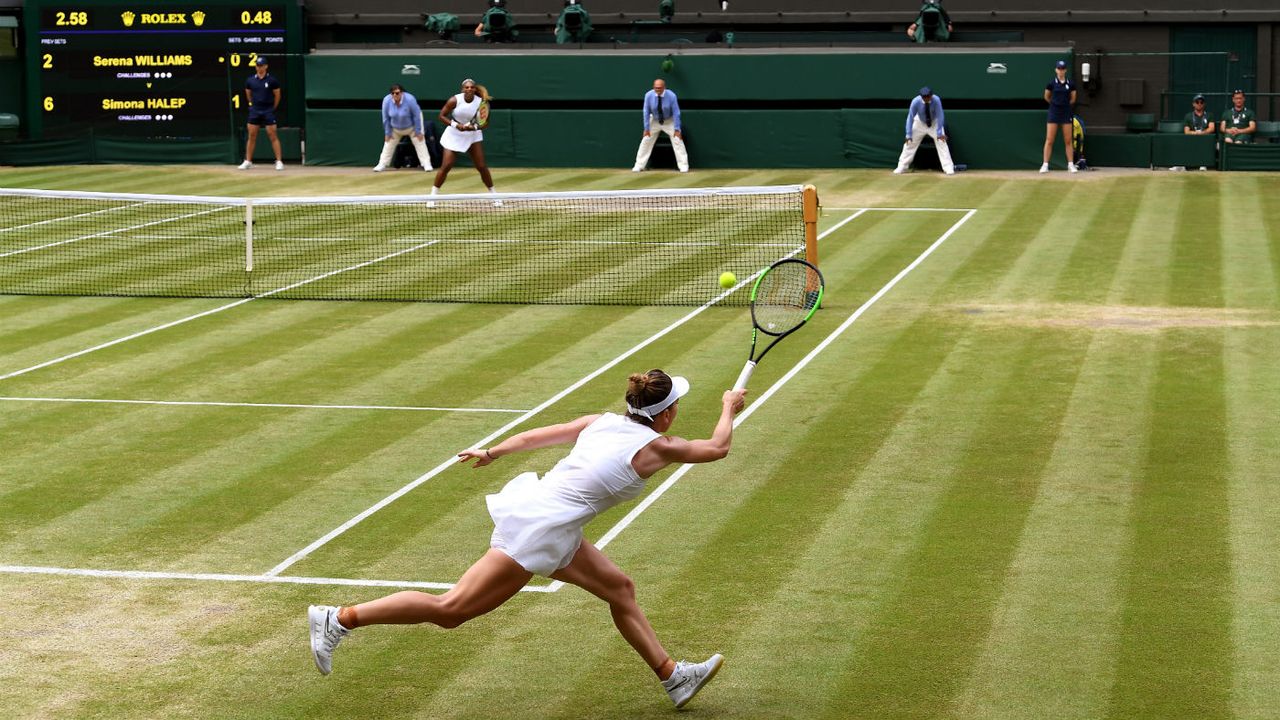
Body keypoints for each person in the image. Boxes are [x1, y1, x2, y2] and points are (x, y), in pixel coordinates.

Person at [308, 370, 748, 709]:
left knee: (620, 589)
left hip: (552, 520)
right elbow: (718, 448)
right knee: (451, 611)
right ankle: (340, 619)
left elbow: (540, 435)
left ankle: (674, 677)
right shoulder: (660, 447)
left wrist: (493, 451)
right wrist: (729, 407)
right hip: (540, 528)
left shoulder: (601, 422)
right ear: (666, 413)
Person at [430, 79, 499, 207]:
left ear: (474, 89)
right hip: (454, 134)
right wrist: (457, 125)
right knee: (447, 165)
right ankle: (432, 197)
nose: (469, 89)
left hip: (473, 135)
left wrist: (473, 128)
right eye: (466, 87)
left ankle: (494, 195)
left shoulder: (481, 103)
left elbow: (485, 123)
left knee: (482, 166)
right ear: (462, 89)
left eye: (471, 87)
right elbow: (442, 116)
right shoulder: (454, 100)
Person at [893, 86, 955, 175]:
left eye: (928, 96)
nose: (926, 98)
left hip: (934, 123)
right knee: (909, 143)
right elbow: (910, 117)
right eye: (924, 97)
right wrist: (908, 134)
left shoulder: (936, 100)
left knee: (942, 142)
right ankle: (901, 167)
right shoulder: (915, 101)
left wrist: (939, 133)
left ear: (931, 95)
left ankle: (948, 167)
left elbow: (940, 115)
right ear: (921, 96)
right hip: (919, 123)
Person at [373, 84, 434, 173]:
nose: (394, 95)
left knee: (420, 142)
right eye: (392, 93)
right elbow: (385, 118)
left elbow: (417, 116)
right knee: (388, 144)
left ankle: (426, 164)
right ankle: (382, 164)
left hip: (412, 127)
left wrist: (418, 131)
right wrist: (387, 132)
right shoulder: (387, 100)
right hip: (395, 128)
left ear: (402, 93)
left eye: (397, 93)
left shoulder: (410, 99)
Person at [632, 79, 689, 173]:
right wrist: (646, 128)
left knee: (678, 140)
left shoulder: (671, 96)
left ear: (664, 87)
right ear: (653, 87)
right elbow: (646, 112)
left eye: (659, 88)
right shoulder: (648, 95)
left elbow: (676, 112)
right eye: (656, 88)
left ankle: (683, 166)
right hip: (654, 120)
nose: (657, 89)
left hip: (669, 120)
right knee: (646, 140)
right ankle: (639, 165)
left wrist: (677, 129)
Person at [238, 56, 283, 171]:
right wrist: (253, 105)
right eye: (258, 65)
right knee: (252, 136)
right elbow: (248, 95)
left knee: (272, 135)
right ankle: (248, 161)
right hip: (255, 110)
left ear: (266, 66)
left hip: (268, 110)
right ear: (256, 67)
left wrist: (272, 108)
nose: (259, 67)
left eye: (262, 65)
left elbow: (277, 96)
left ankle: (279, 161)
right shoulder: (250, 80)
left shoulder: (272, 80)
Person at [1040, 60, 1078, 173]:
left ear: (1065, 70)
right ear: (1056, 70)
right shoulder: (1051, 83)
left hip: (1066, 113)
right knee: (1049, 140)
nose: (1061, 71)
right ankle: (1045, 165)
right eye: (1059, 69)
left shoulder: (1071, 84)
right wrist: (1055, 104)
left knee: (1068, 140)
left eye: (1063, 69)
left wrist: (1064, 106)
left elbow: (1073, 99)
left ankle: (1070, 165)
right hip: (1053, 113)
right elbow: (1046, 97)